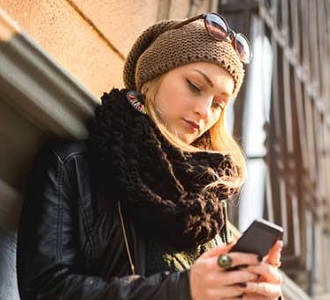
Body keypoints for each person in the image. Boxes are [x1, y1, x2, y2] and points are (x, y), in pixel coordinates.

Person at [16, 12, 283, 300]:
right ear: (151, 78)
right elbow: (44, 290)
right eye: (194, 86)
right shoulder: (73, 167)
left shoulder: (209, 201)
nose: (205, 111)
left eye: (219, 103)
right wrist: (182, 290)